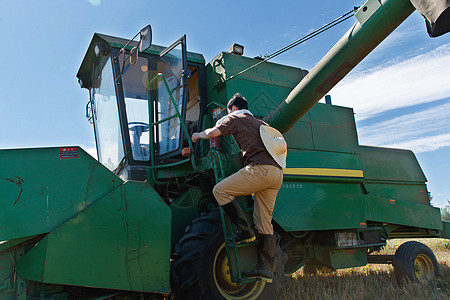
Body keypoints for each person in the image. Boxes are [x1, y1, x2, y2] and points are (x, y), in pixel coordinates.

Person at [191, 93, 287, 282]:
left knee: (220, 191)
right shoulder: (261, 123)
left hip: (260, 171)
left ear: (233, 108)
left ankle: (244, 231)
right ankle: (266, 269)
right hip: (277, 174)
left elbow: (212, 133)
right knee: (264, 222)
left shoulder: (235, 117)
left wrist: (197, 135)